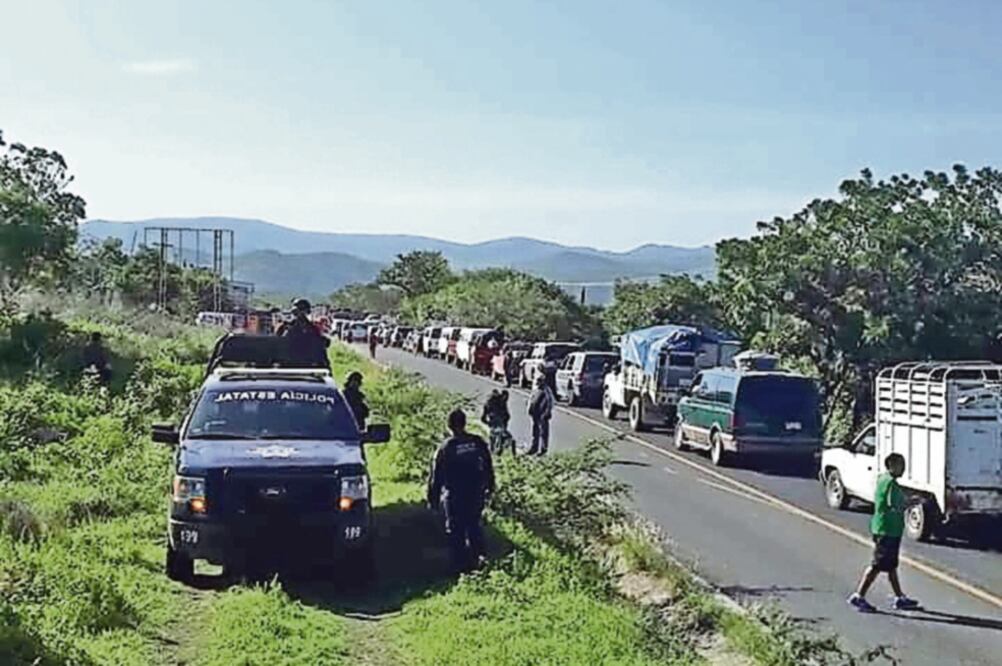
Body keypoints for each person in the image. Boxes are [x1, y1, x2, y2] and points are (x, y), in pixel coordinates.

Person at [848, 453, 921, 612]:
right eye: (900, 465)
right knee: (877, 565)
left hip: (887, 529)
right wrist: (915, 501)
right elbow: (895, 505)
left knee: (891, 565)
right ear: (891, 466)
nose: (903, 469)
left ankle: (899, 597)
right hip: (887, 529)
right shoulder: (890, 483)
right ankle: (859, 596)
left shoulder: (883, 479)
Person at [427, 409, 496, 572]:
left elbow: (436, 476)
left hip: (455, 494)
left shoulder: (446, 447)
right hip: (475, 492)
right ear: (464, 423)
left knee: (455, 530)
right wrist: (490, 486)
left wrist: (433, 499)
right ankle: (480, 561)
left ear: (449, 425)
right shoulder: (477, 442)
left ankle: (460, 566)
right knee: (474, 525)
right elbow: (488, 465)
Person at [277, 298, 330, 368]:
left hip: (309, 361)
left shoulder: (312, 328)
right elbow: (279, 341)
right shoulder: (287, 327)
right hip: (291, 361)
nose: (300, 315)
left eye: (302, 312)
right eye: (298, 312)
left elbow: (320, 343)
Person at [527, 375, 554, 456]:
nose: (538, 382)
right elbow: (531, 399)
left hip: (542, 414)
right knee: (535, 432)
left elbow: (550, 402)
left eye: (539, 381)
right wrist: (529, 409)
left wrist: (547, 412)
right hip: (535, 413)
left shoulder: (546, 390)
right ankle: (534, 448)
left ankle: (543, 449)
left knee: (543, 433)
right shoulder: (536, 389)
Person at [481, 389, 514, 455]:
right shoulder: (497, 402)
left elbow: (483, 418)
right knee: (499, 437)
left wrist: (488, 422)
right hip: (497, 423)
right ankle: (496, 450)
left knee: (496, 437)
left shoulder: (492, 403)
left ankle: (495, 450)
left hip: (497, 423)